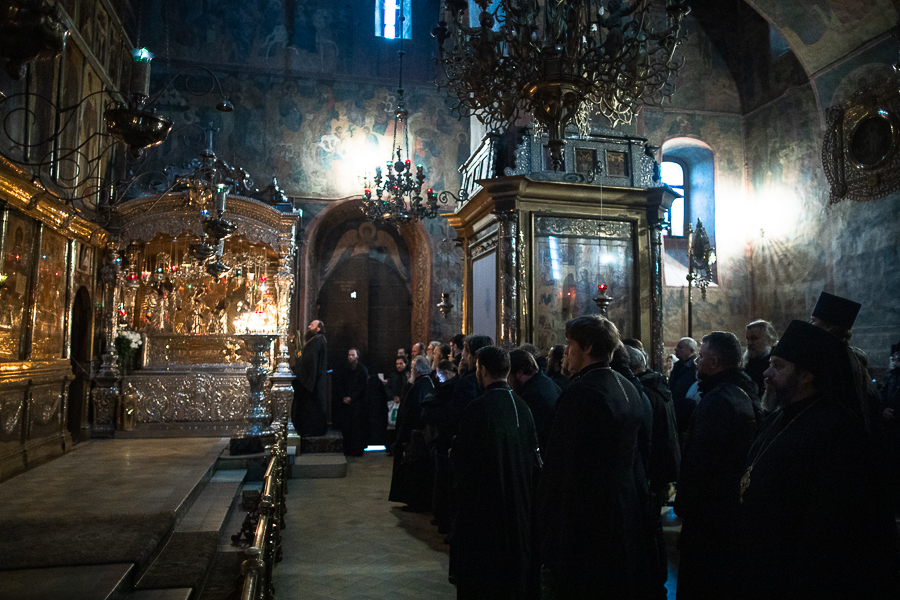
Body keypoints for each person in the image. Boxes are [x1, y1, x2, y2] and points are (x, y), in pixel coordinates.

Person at [735, 320, 900, 599]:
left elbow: (829, 524)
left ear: (806, 376)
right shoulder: (778, 416)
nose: (767, 373)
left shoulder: (835, 430)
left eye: (778, 366)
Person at [538, 315, 655, 599]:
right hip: (625, 504)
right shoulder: (628, 386)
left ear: (588, 347)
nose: (567, 352)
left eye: (570, 344)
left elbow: (562, 463)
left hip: (588, 513)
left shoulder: (582, 391)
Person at [451, 346, 540, 600]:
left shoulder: (478, 408)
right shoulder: (522, 406)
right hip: (518, 504)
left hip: (485, 507)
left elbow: (463, 461)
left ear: (482, 370)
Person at [675, 332, 759, 599]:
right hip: (728, 511)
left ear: (714, 362)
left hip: (709, 517)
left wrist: (684, 505)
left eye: (700, 356)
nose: (697, 362)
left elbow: (701, 463)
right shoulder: (742, 390)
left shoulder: (717, 402)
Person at [626, 345, 680, 599]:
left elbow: (649, 437)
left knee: (651, 526)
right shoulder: (657, 385)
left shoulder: (646, 391)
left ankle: (655, 577)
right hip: (663, 464)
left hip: (654, 467)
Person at [389, 356, 436, 512]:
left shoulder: (418, 387)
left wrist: (401, 437)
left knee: (414, 471)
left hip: (414, 437)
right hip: (419, 436)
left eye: (411, 369)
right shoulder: (427, 383)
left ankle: (415, 503)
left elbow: (410, 415)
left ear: (416, 370)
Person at [421, 359, 459, 534]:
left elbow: (441, 414)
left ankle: (442, 519)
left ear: (448, 373)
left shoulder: (449, 389)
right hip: (444, 440)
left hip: (445, 440)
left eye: (440, 374)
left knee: (443, 481)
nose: (438, 378)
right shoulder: (450, 388)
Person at [507, 348, 560, 459]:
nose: (508, 382)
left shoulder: (532, 396)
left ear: (519, 373)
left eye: (509, 376)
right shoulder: (547, 383)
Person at [292, 319, 328, 437]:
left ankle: (310, 430)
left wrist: (299, 374)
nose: (309, 326)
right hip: (313, 382)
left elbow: (310, 363)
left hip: (310, 383)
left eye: (312, 325)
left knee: (310, 408)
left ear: (318, 329)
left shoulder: (316, 341)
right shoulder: (319, 340)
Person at [337, 348, 369, 456]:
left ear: (357, 356)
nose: (350, 357)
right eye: (349, 355)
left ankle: (357, 450)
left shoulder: (362, 370)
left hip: (358, 404)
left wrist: (352, 398)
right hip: (346, 405)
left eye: (353, 355)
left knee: (357, 429)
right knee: (347, 428)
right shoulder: (344, 369)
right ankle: (348, 449)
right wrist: (344, 397)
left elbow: (363, 387)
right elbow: (341, 385)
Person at [669, 337, 699, 442]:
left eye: (680, 347)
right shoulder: (678, 366)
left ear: (691, 350)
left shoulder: (696, 368)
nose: (676, 349)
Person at [743, 320, 777, 397]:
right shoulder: (749, 362)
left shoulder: (776, 363)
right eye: (747, 339)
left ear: (768, 339)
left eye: (754, 338)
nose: (749, 343)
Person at [384, 355, 409, 454]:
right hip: (394, 402)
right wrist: (393, 396)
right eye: (397, 364)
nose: (398, 366)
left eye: (401, 363)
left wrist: (401, 398)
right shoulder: (393, 375)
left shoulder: (408, 375)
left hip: (404, 404)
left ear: (405, 364)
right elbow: (388, 387)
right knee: (392, 427)